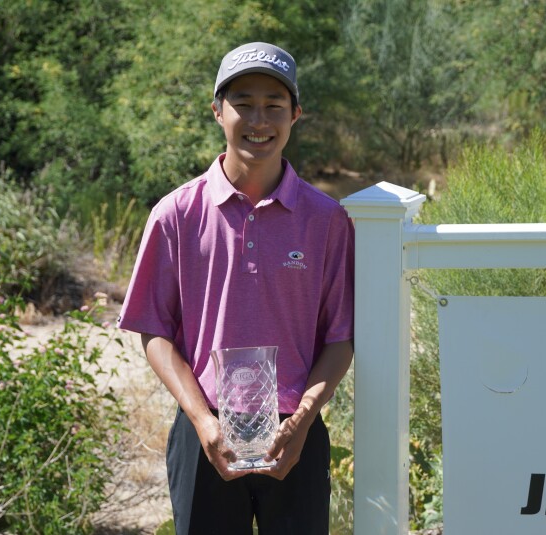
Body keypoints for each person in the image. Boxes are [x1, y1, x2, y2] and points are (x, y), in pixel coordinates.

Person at [118, 41, 354, 534]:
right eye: (243, 103)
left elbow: (339, 338)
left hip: (296, 432)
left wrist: (305, 418)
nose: (258, 119)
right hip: (204, 432)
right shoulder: (176, 214)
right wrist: (204, 423)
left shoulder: (327, 221)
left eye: (274, 106)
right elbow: (154, 333)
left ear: (296, 115)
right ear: (217, 111)